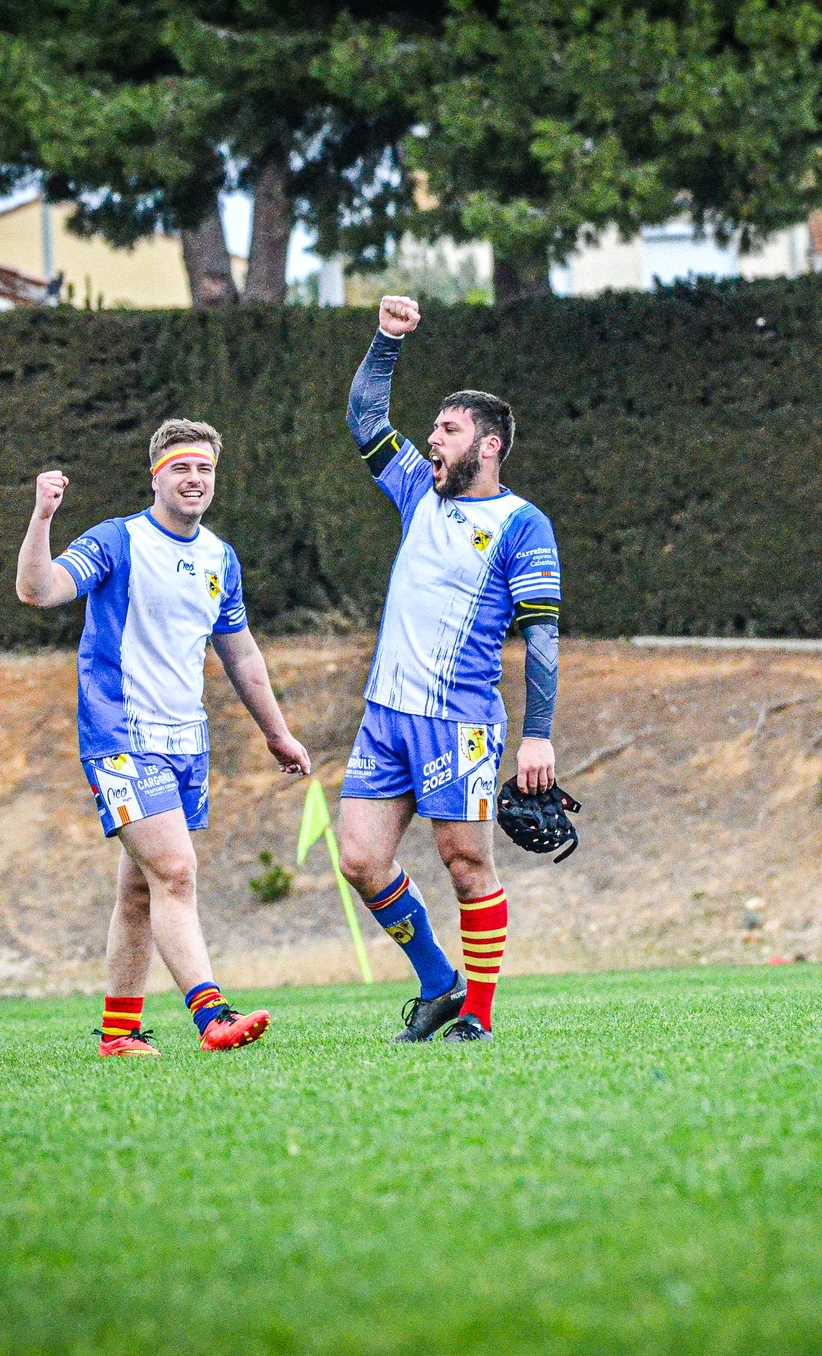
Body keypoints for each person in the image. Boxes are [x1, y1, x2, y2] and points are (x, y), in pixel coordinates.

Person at [15, 419, 308, 1055]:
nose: (194, 479)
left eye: (204, 469)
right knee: (175, 870)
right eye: (181, 468)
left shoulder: (219, 557)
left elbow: (241, 654)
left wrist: (277, 733)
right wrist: (42, 518)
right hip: (120, 736)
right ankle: (212, 1017)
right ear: (157, 476)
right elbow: (37, 590)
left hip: (186, 740)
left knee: (140, 889)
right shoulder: (117, 541)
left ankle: (118, 1034)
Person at [335, 295, 563, 1043]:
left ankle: (479, 1017)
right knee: (362, 861)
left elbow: (543, 636)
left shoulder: (523, 525)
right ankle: (440, 984)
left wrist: (537, 736)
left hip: (459, 721)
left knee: (467, 864)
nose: (432, 438)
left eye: (449, 429)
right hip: (386, 714)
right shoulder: (416, 489)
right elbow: (366, 417)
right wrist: (387, 341)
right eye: (433, 427)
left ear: (488, 446)